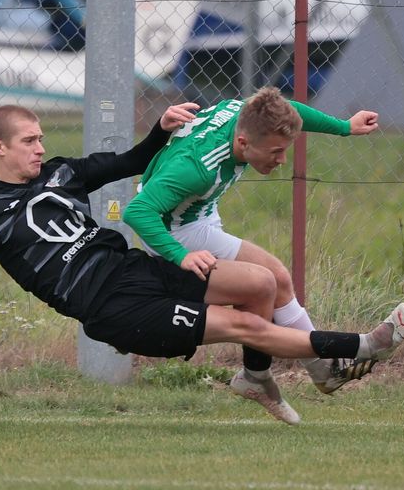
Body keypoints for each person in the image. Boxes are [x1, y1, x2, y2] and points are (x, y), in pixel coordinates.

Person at [0, 103, 404, 425]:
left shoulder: (64, 173)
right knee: (242, 322)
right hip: (109, 307)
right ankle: (361, 347)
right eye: (29, 141)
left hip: (133, 268)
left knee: (260, 284)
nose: (41, 149)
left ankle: (259, 381)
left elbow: (133, 162)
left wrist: (161, 127)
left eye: (42, 138)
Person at [122, 87, 380, 395]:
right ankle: (293, 371)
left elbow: (289, 109)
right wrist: (181, 256)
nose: (283, 159)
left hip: (196, 213)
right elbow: (138, 211)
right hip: (175, 229)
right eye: (275, 152)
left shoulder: (243, 113)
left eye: (285, 149)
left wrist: (344, 127)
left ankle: (315, 371)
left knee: (278, 280)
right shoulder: (196, 169)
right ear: (244, 142)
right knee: (269, 279)